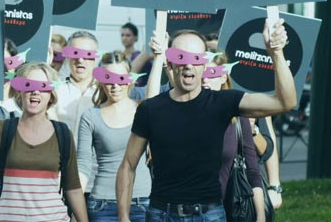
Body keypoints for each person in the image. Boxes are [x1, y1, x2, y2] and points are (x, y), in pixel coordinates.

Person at [116, 21, 296, 222]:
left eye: (196, 58)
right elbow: (128, 165)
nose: (188, 65)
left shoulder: (223, 102)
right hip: (162, 214)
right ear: (170, 62)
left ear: (203, 64)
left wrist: (276, 53)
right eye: (181, 57)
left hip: (209, 214)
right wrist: (123, 217)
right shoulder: (150, 109)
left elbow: (285, 102)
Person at [0, 59, 88, 222]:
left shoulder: (62, 134)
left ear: (51, 95)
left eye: (42, 87)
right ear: (19, 92)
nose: (35, 92)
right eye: (28, 85)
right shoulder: (5, 129)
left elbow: (73, 188)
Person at [77, 52, 151, 222]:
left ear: (130, 79)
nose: (115, 85)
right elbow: (83, 164)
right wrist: (77, 209)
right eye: (109, 78)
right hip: (103, 204)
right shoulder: (90, 116)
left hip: (142, 201)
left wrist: (158, 56)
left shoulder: (143, 111)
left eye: (121, 79)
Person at [202, 54, 266, 221]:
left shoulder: (237, 115)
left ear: (223, 77)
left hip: (225, 210)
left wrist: (260, 215)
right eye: (201, 72)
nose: (204, 79)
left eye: (211, 73)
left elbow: (252, 169)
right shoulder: (186, 111)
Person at [52, 30, 99, 143]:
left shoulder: (105, 93)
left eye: (87, 54)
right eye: (75, 53)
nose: (80, 60)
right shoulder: (55, 90)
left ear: (96, 58)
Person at [120, 23, 152, 87]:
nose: (124, 38)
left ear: (135, 37)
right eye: (122, 35)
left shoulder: (141, 56)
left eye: (128, 35)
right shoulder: (118, 56)